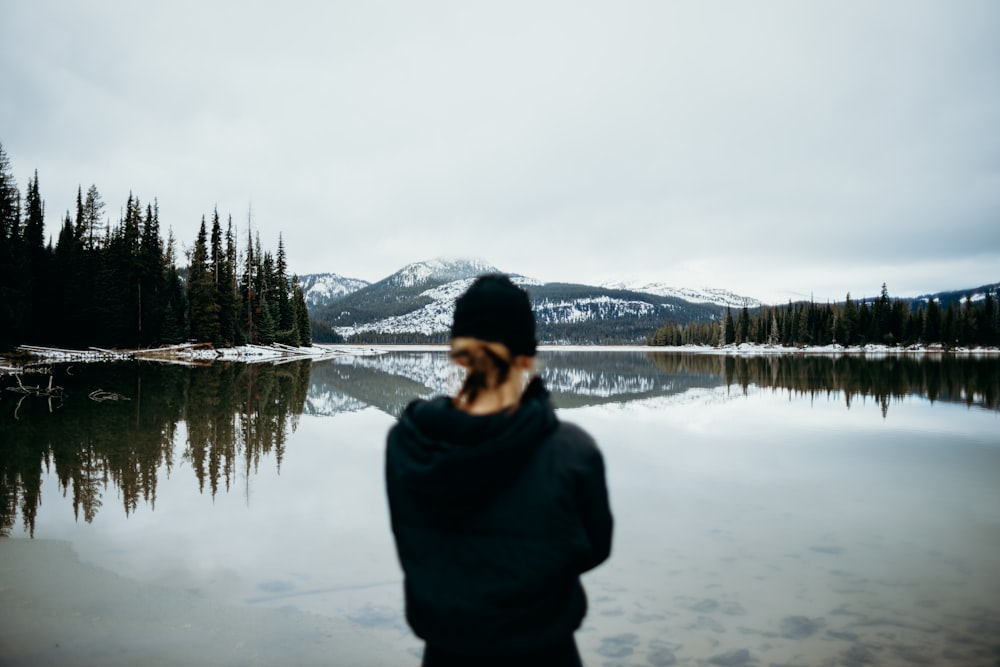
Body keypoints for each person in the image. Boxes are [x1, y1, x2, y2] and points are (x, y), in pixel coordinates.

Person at [385, 274, 614, 667]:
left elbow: (412, 545)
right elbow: (593, 549)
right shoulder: (573, 451)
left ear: (458, 352)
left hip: (445, 654)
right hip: (547, 653)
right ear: (526, 354)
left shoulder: (408, 445)